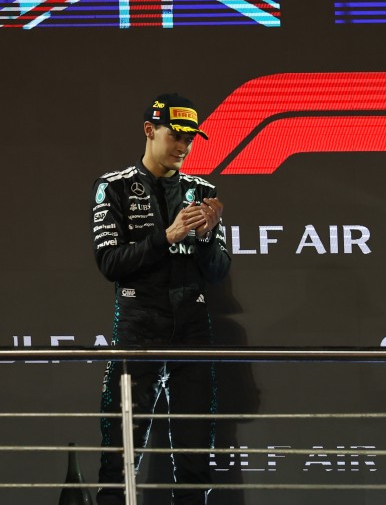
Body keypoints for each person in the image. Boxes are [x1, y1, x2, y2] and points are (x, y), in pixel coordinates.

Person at [91, 93, 230, 505]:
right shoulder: (113, 186)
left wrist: (205, 238)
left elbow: (219, 271)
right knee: (118, 458)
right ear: (150, 131)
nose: (184, 147)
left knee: (193, 461)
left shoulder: (203, 191)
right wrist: (166, 237)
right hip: (139, 327)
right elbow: (110, 263)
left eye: (191, 139)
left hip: (192, 328)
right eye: (176, 136)